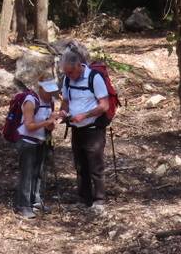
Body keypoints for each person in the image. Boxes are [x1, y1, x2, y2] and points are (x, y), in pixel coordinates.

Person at [58, 49, 110, 213]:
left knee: (96, 166)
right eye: (66, 72)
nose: (69, 75)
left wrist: (85, 115)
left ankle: (99, 200)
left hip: (94, 129)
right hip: (76, 129)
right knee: (80, 166)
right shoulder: (67, 79)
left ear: (79, 65)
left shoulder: (94, 78)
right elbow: (66, 101)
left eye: (71, 71)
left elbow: (104, 105)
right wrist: (63, 113)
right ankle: (84, 199)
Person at [13, 75, 61, 219]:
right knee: (27, 174)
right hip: (27, 142)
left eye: (52, 91)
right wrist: (47, 123)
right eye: (47, 91)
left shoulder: (51, 101)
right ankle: (23, 205)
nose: (50, 94)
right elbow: (29, 126)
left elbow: (49, 124)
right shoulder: (30, 101)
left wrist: (53, 123)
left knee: (39, 172)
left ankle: (36, 200)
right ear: (40, 88)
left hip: (41, 141)